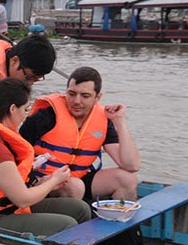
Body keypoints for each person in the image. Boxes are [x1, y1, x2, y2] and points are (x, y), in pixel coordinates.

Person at [0, 79, 90, 236]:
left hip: (5, 207)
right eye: (25, 109)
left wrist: (42, 182)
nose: (25, 115)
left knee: (80, 209)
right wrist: (53, 182)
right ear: (12, 109)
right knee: (67, 225)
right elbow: (22, 200)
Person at [20, 66, 140, 201]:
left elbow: (131, 165)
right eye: (71, 94)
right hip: (45, 180)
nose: (77, 101)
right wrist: (34, 181)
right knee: (75, 186)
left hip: (81, 177)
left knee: (127, 179)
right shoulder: (45, 116)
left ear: (97, 97)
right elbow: (16, 153)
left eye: (85, 96)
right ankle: (69, 221)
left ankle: (119, 219)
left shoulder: (103, 119)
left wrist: (119, 121)